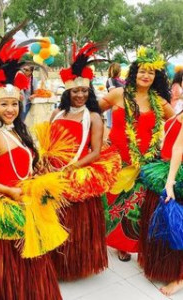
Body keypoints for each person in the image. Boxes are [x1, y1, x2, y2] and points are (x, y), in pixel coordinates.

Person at [0, 27, 63, 300]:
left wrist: (36, 169)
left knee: (30, 268)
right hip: (2, 207)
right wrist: (9, 192)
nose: (10, 110)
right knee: (7, 270)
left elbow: (19, 163)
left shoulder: (16, 130)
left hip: (23, 202)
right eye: (3, 104)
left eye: (14, 104)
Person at [47, 42, 121, 280]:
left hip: (77, 172)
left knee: (76, 223)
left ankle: (76, 265)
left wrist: (71, 168)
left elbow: (96, 152)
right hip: (54, 171)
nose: (80, 95)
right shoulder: (56, 114)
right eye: (75, 91)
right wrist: (46, 163)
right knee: (55, 220)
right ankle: (56, 264)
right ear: (67, 92)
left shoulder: (94, 118)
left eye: (84, 91)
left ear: (90, 92)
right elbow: (49, 143)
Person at [99, 46, 174, 262]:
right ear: (134, 73)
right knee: (110, 200)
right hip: (115, 158)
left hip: (145, 162)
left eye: (151, 72)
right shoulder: (118, 94)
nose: (146, 75)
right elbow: (93, 113)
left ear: (156, 76)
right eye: (142, 71)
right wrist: (101, 136)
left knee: (133, 205)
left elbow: (175, 124)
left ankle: (124, 245)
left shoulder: (159, 102)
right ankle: (103, 240)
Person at [139, 110, 183, 296]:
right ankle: (162, 266)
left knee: (176, 226)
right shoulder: (179, 107)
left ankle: (179, 278)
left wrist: (170, 182)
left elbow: (179, 148)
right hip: (165, 166)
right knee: (162, 223)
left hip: (175, 174)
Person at [105, 62, 125, 129]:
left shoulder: (121, 80)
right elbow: (112, 93)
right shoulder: (111, 80)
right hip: (114, 107)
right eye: (120, 69)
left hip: (122, 106)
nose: (121, 71)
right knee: (113, 126)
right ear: (117, 70)